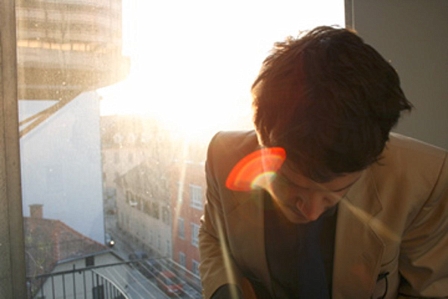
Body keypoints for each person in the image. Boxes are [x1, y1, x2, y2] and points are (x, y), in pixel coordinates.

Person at [198, 26, 448, 299]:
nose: (312, 212)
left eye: (334, 193)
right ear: (263, 140)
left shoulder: (427, 179)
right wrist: (225, 292)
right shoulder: (223, 155)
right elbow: (213, 236)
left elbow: (428, 291)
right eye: (290, 183)